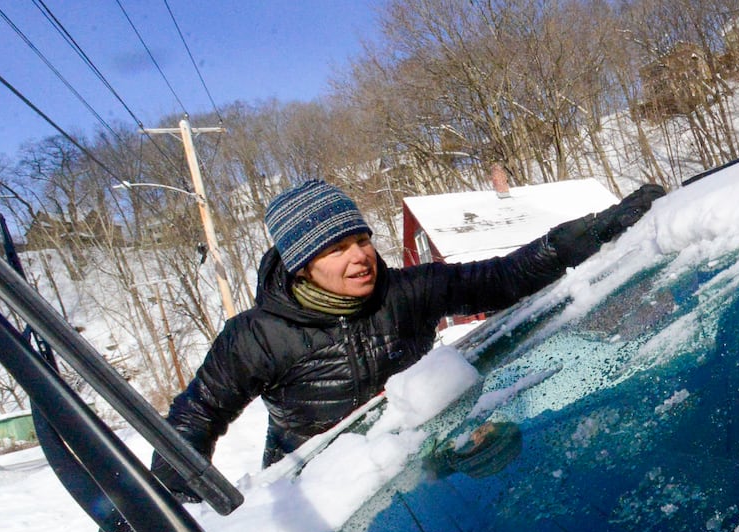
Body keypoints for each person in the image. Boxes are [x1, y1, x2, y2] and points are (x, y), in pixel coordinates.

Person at [151, 178, 663, 501]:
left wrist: (587, 235)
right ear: (302, 265)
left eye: (362, 240)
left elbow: (501, 278)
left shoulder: (404, 292)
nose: (360, 257)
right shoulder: (256, 336)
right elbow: (196, 417)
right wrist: (159, 508)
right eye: (337, 249)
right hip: (323, 503)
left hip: (422, 469)